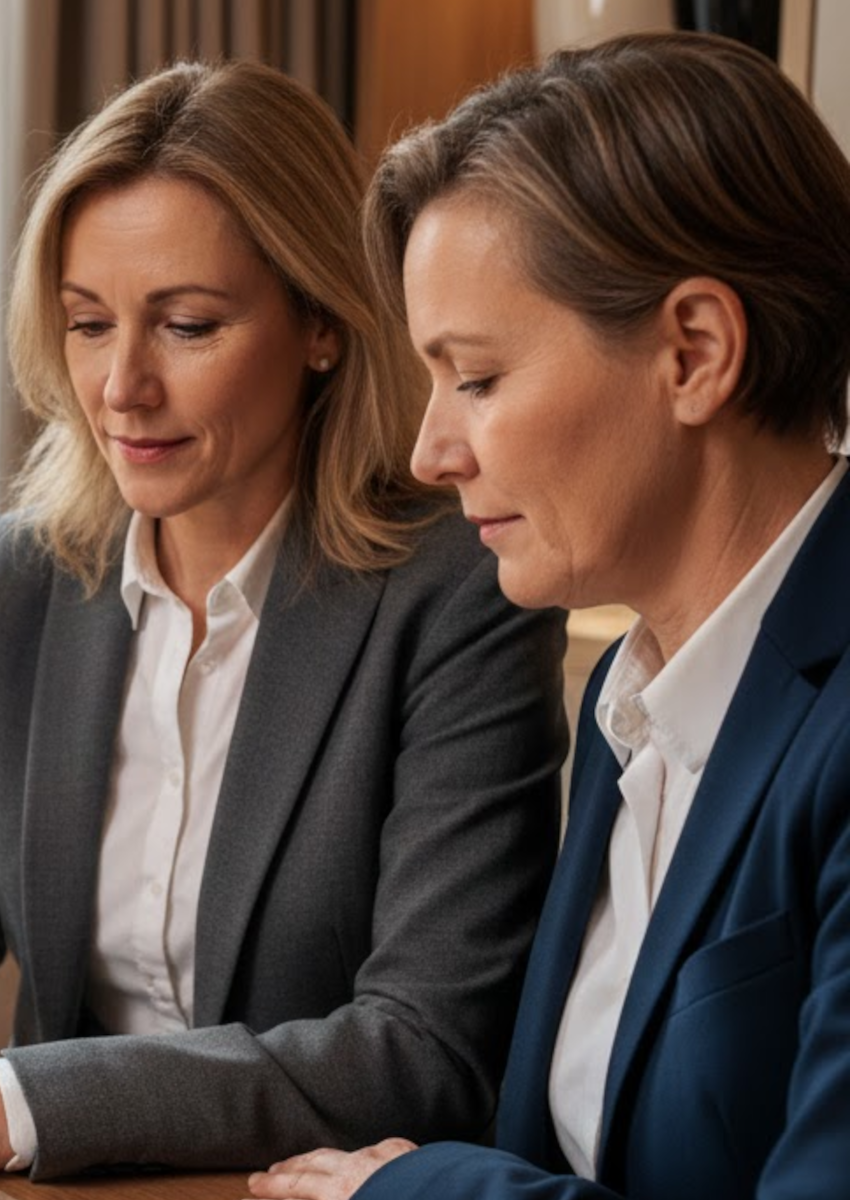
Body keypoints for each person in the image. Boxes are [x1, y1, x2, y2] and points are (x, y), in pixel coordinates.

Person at [0, 59, 568, 1195]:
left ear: (325, 326)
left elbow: (423, 1046)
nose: (122, 387)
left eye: (187, 325)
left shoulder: (454, 592)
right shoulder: (27, 573)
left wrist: (11, 1102)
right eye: (89, 324)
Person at [246, 31, 850, 1200]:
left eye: (474, 377)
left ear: (694, 352)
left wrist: (416, 1192)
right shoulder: (626, 694)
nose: (429, 451)